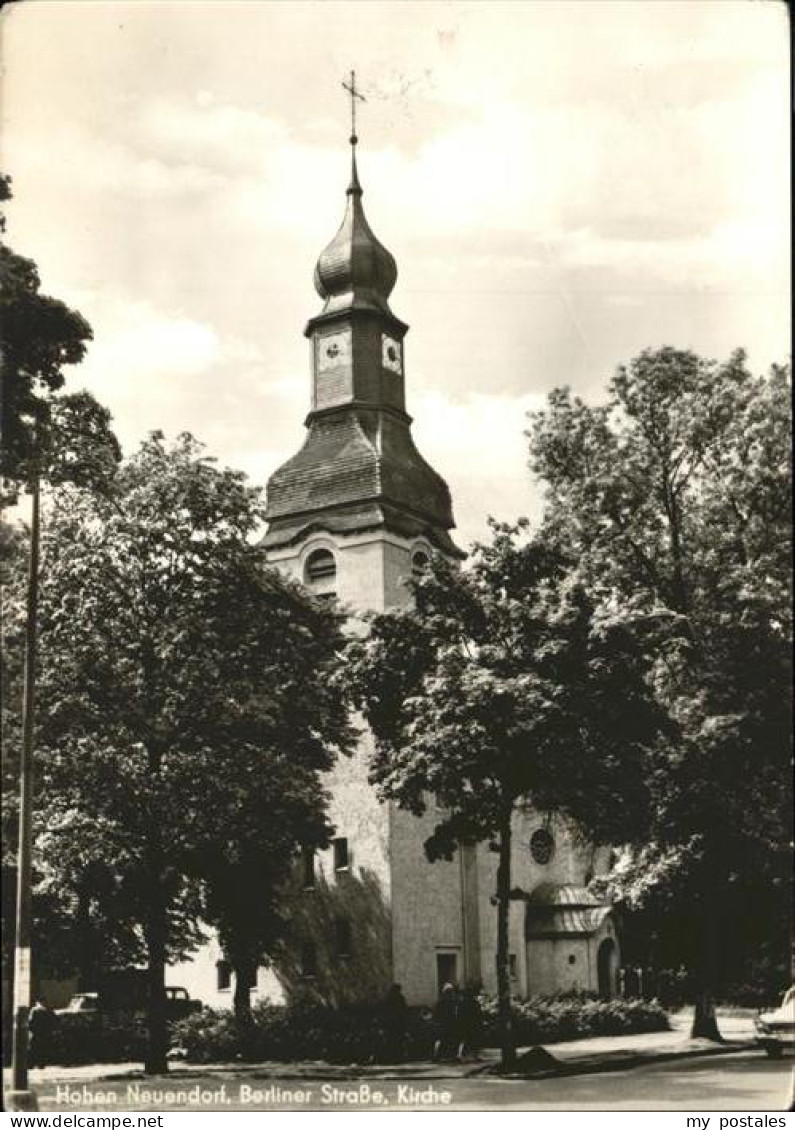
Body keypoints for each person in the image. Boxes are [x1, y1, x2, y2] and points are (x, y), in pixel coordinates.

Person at [432, 982, 461, 1061]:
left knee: (441, 1039)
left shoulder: (441, 1001)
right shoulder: (453, 1001)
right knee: (450, 1039)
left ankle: (437, 1055)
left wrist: (435, 1021)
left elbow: (436, 1012)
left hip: (443, 1022)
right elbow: (456, 1012)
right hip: (450, 1022)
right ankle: (451, 1055)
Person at [381, 983, 409, 1062]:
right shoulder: (400, 998)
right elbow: (404, 1010)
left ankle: (392, 1055)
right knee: (399, 1039)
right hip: (398, 1022)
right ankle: (398, 1056)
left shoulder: (388, 998)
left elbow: (385, 1010)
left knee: (392, 1039)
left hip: (391, 1022)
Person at [28, 999, 55, 1069]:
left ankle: (32, 1064)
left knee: (34, 1049)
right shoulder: (47, 1010)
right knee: (42, 1049)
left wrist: (31, 1030)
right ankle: (40, 1064)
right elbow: (53, 1021)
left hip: (37, 1033)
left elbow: (30, 1021)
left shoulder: (35, 1010)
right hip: (43, 1033)